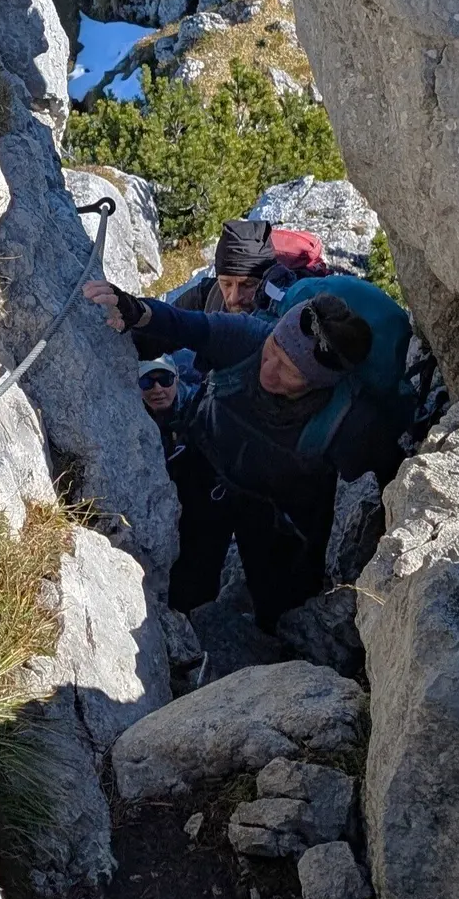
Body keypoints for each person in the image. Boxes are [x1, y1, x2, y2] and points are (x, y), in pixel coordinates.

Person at [89, 274, 411, 630]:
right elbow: (186, 326)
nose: (269, 371)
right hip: (206, 471)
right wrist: (136, 310)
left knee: (284, 609)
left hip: (279, 512)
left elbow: (392, 473)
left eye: (290, 373)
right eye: (273, 350)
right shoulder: (251, 339)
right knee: (187, 588)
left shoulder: (347, 424)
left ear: (320, 383)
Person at [169, 219, 277, 317]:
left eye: (247, 285)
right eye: (226, 284)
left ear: (269, 281)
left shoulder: (288, 311)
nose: (234, 298)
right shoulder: (205, 296)